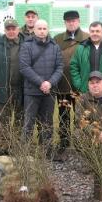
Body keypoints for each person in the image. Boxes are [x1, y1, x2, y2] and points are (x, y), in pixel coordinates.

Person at [20, 19, 63, 150]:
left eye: (44, 28)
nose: (42, 31)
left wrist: (50, 83)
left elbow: (60, 67)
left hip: (49, 91)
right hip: (32, 91)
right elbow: (24, 67)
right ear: (34, 30)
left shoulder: (55, 46)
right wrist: (41, 82)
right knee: (29, 122)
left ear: (48, 30)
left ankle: (47, 150)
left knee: (47, 123)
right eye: (39, 28)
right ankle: (24, 152)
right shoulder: (26, 45)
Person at [53, 10, 89, 153]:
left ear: (78, 21)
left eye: (74, 20)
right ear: (65, 23)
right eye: (68, 21)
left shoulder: (87, 38)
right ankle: (64, 142)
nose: (71, 23)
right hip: (63, 85)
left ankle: (81, 143)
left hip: (80, 86)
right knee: (64, 114)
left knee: (81, 115)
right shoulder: (57, 39)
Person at [0, 18, 26, 125]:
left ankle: (18, 141)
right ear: (5, 30)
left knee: (20, 119)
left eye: (13, 29)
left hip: (21, 89)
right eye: (8, 29)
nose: (11, 31)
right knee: (3, 120)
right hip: (2, 89)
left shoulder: (27, 43)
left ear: (18, 29)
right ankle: (4, 141)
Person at [70, 21, 102, 93]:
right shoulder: (81, 48)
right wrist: (79, 85)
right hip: (86, 90)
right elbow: (74, 67)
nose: (94, 33)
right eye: (92, 31)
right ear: (89, 33)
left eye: (97, 31)